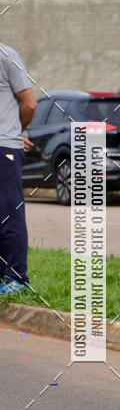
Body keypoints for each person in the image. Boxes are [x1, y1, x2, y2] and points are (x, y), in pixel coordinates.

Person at [0, 42, 36, 295]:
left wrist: (16, 131)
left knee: (9, 213)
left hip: (4, 148)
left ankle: (16, 278)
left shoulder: (7, 56)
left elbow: (30, 103)